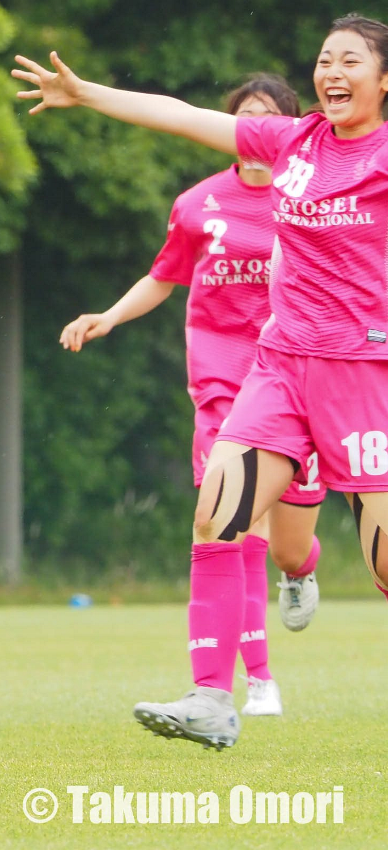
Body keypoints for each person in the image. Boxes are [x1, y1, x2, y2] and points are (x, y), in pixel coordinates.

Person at [14, 14, 388, 750]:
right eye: (324, 60)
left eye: (351, 61)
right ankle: (213, 699)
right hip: (278, 367)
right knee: (217, 514)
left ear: (384, 80)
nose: (332, 73)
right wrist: (87, 93)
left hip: (363, 376)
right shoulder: (291, 141)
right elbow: (184, 117)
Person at [59, 74, 325, 719]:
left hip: (299, 376)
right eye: (246, 118)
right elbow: (163, 277)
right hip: (223, 386)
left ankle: (301, 572)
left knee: (287, 544)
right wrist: (109, 317)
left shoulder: (315, 201)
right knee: (226, 522)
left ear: (288, 129)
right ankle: (245, 683)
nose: (256, 129)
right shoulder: (198, 204)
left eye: (269, 117)